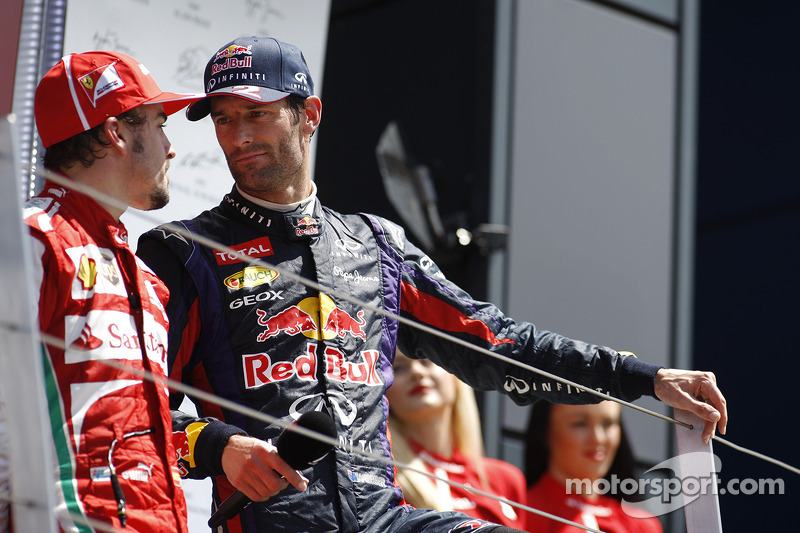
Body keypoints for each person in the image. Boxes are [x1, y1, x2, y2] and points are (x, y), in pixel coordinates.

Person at [135, 36, 727, 533]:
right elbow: (139, 408)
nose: (238, 135)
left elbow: (499, 343)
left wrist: (643, 378)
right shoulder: (184, 252)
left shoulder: (377, 245)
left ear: (308, 115)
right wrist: (220, 448)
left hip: (383, 520)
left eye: (257, 113)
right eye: (224, 116)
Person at [23, 50, 203, 532]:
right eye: (160, 124)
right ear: (115, 131)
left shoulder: (145, 279)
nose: (171, 147)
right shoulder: (32, 241)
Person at [387, 349, 527, 529]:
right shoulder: (388, 475)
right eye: (398, 368)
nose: (417, 372)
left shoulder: (505, 479)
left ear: (456, 376)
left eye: (426, 360)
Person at [524, 401, 662, 532]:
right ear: (546, 431)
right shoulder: (521, 512)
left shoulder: (643, 526)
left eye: (608, 423)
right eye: (580, 424)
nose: (598, 438)